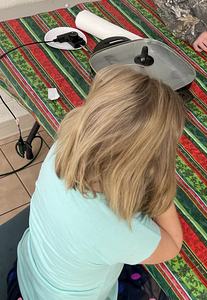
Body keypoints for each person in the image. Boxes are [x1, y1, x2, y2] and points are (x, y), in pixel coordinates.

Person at [9, 65, 186, 299]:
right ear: (149, 161)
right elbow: (173, 244)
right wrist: (162, 182)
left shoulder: (63, 148)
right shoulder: (118, 228)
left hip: (27, 275)